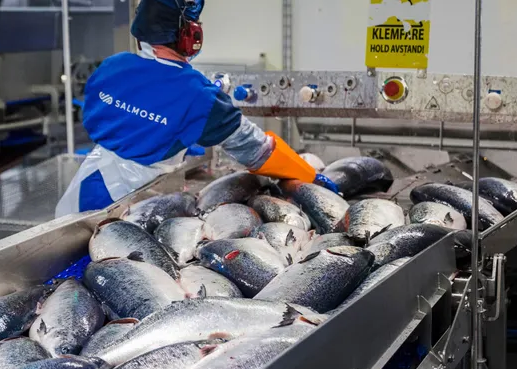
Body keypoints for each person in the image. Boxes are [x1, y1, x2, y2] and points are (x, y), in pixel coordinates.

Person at [55, 0, 337, 217]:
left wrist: (170, 136)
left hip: (80, 193)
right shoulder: (198, 94)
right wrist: (310, 177)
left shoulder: (113, 65)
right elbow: (258, 151)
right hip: (125, 205)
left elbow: (108, 119)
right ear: (190, 35)